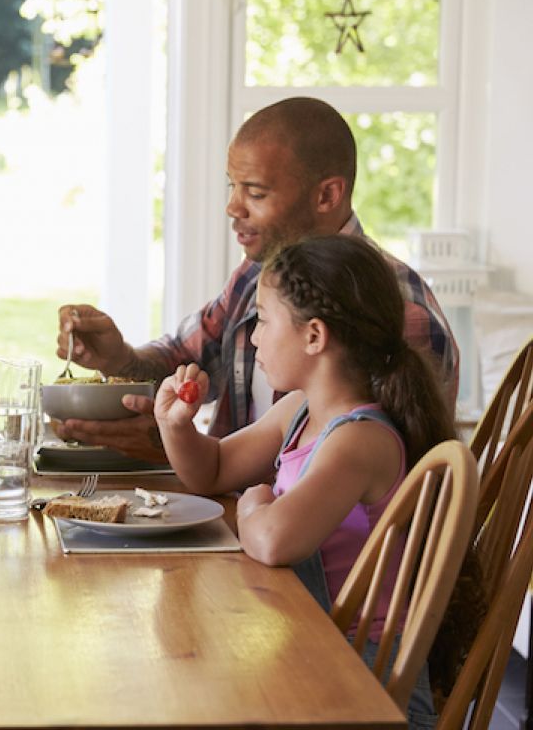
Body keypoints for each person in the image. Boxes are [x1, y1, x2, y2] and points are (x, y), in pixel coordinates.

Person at [152, 234, 452, 728]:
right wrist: (176, 425)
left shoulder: (359, 440)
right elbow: (212, 471)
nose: (252, 338)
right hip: (314, 652)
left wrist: (256, 503)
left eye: (263, 321)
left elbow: (273, 542)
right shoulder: (299, 410)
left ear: (314, 336)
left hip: (366, 684)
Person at [56, 97, 458, 462]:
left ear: (327, 196)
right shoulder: (257, 276)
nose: (232, 207)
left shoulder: (399, 310)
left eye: (256, 193)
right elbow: (184, 356)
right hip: (233, 514)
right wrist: (120, 359)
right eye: (233, 186)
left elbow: (373, 476)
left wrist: (173, 447)